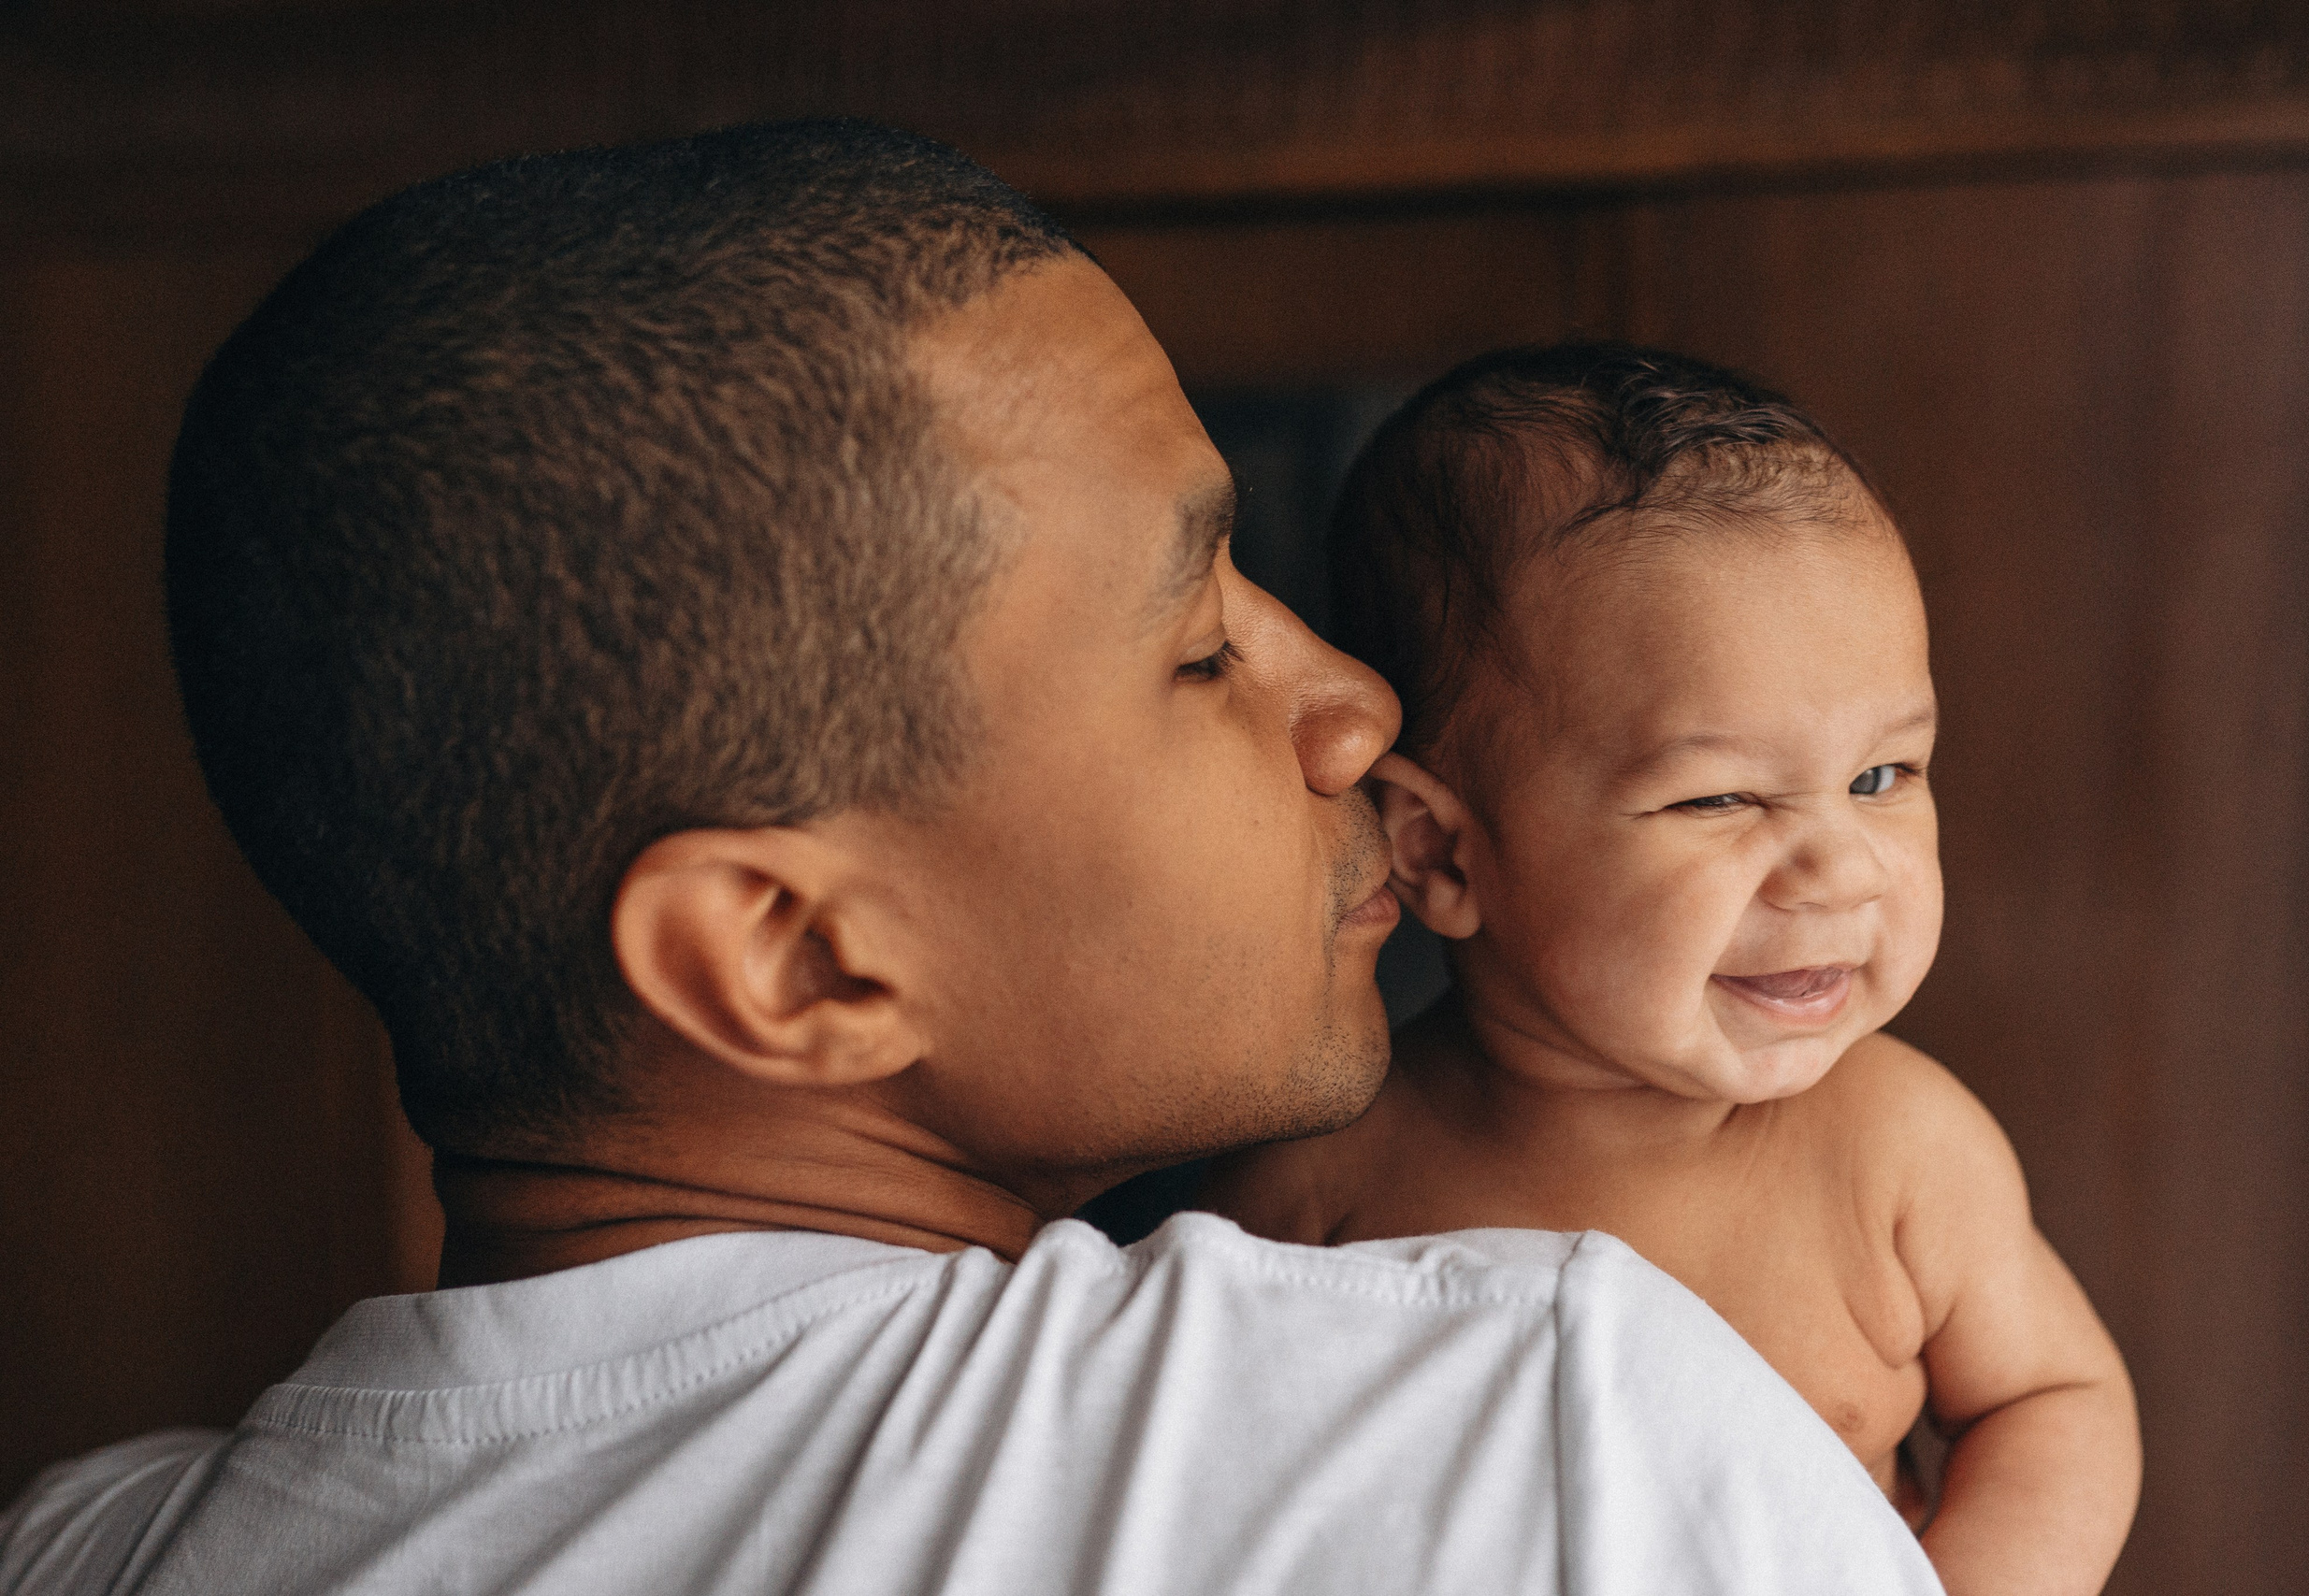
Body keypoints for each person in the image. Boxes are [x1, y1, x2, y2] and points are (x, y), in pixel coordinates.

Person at [0, 127, 1941, 1595]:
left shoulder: (89, 1549)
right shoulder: (1535, 1427)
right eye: (1199, 645)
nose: (1349, 703)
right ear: (790, 954)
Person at [1204, 344, 2143, 1594]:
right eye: (1719, 797)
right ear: (1440, 850)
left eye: (1882, 777)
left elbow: (2058, 1402)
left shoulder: (1897, 1153)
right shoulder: (1322, 1181)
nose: (1840, 871)